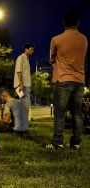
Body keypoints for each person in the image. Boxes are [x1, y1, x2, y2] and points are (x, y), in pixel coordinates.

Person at [45, 10, 88, 150]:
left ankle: (57, 142)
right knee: (77, 113)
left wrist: (55, 60)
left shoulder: (56, 39)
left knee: (59, 112)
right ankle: (75, 142)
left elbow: (51, 59)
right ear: (78, 23)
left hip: (63, 79)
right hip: (80, 80)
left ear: (64, 23)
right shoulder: (84, 39)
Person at [13, 43, 35, 117]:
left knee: (23, 104)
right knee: (25, 104)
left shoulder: (26, 59)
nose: (33, 51)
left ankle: (21, 123)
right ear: (26, 49)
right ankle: (23, 123)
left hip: (25, 85)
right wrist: (21, 84)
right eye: (31, 49)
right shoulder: (21, 58)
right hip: (22, 85)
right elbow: (19, 71)